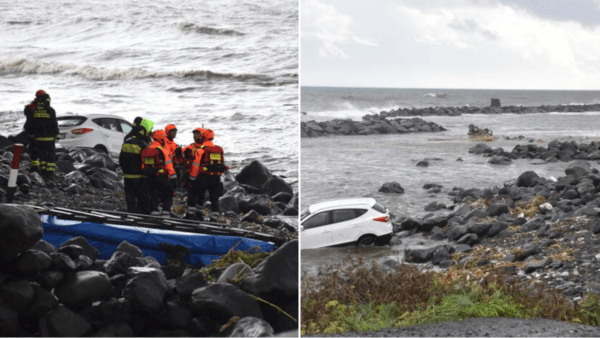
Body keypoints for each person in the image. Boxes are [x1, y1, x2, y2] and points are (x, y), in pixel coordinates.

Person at [187, 128, 227, 220]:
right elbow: (222, 164)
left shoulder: (201, 150)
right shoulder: (218, 149)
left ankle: (199, 216)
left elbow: (196, 166)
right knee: (214, 199)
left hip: (204, 177)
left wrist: (192, 179)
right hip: (216, 177)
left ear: (203, 137)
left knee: (200, 196)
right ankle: (214, 219)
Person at [24, 90, 60, 178]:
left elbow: (30, 121)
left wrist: (30, 132)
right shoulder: (50, 110)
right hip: (50, 137)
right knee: (51, 153)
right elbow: (54, 123)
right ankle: (50, 171)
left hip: (38, 137)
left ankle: (40, 168)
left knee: (40, 152)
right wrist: (57, 134)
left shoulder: (33, 108)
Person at [141, 130, 177, 216]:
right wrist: (174, 179)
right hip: (161, 177)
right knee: (169, 194)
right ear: (161, 139)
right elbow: (169, 167)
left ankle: (154, 213)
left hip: (149, 178)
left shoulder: (147, 150)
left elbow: (143, 166)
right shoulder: (163, 151)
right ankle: (166, 214)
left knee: (154, 195)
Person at [119, 120, 151, 214]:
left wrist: (125, 170)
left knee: (130, 197)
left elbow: (121, 160)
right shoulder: (143, 144)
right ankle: (139, 216)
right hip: (139, 176)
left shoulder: (126, 142)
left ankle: (131, 214)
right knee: (141, 197)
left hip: (127, 176)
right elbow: (147, 161)